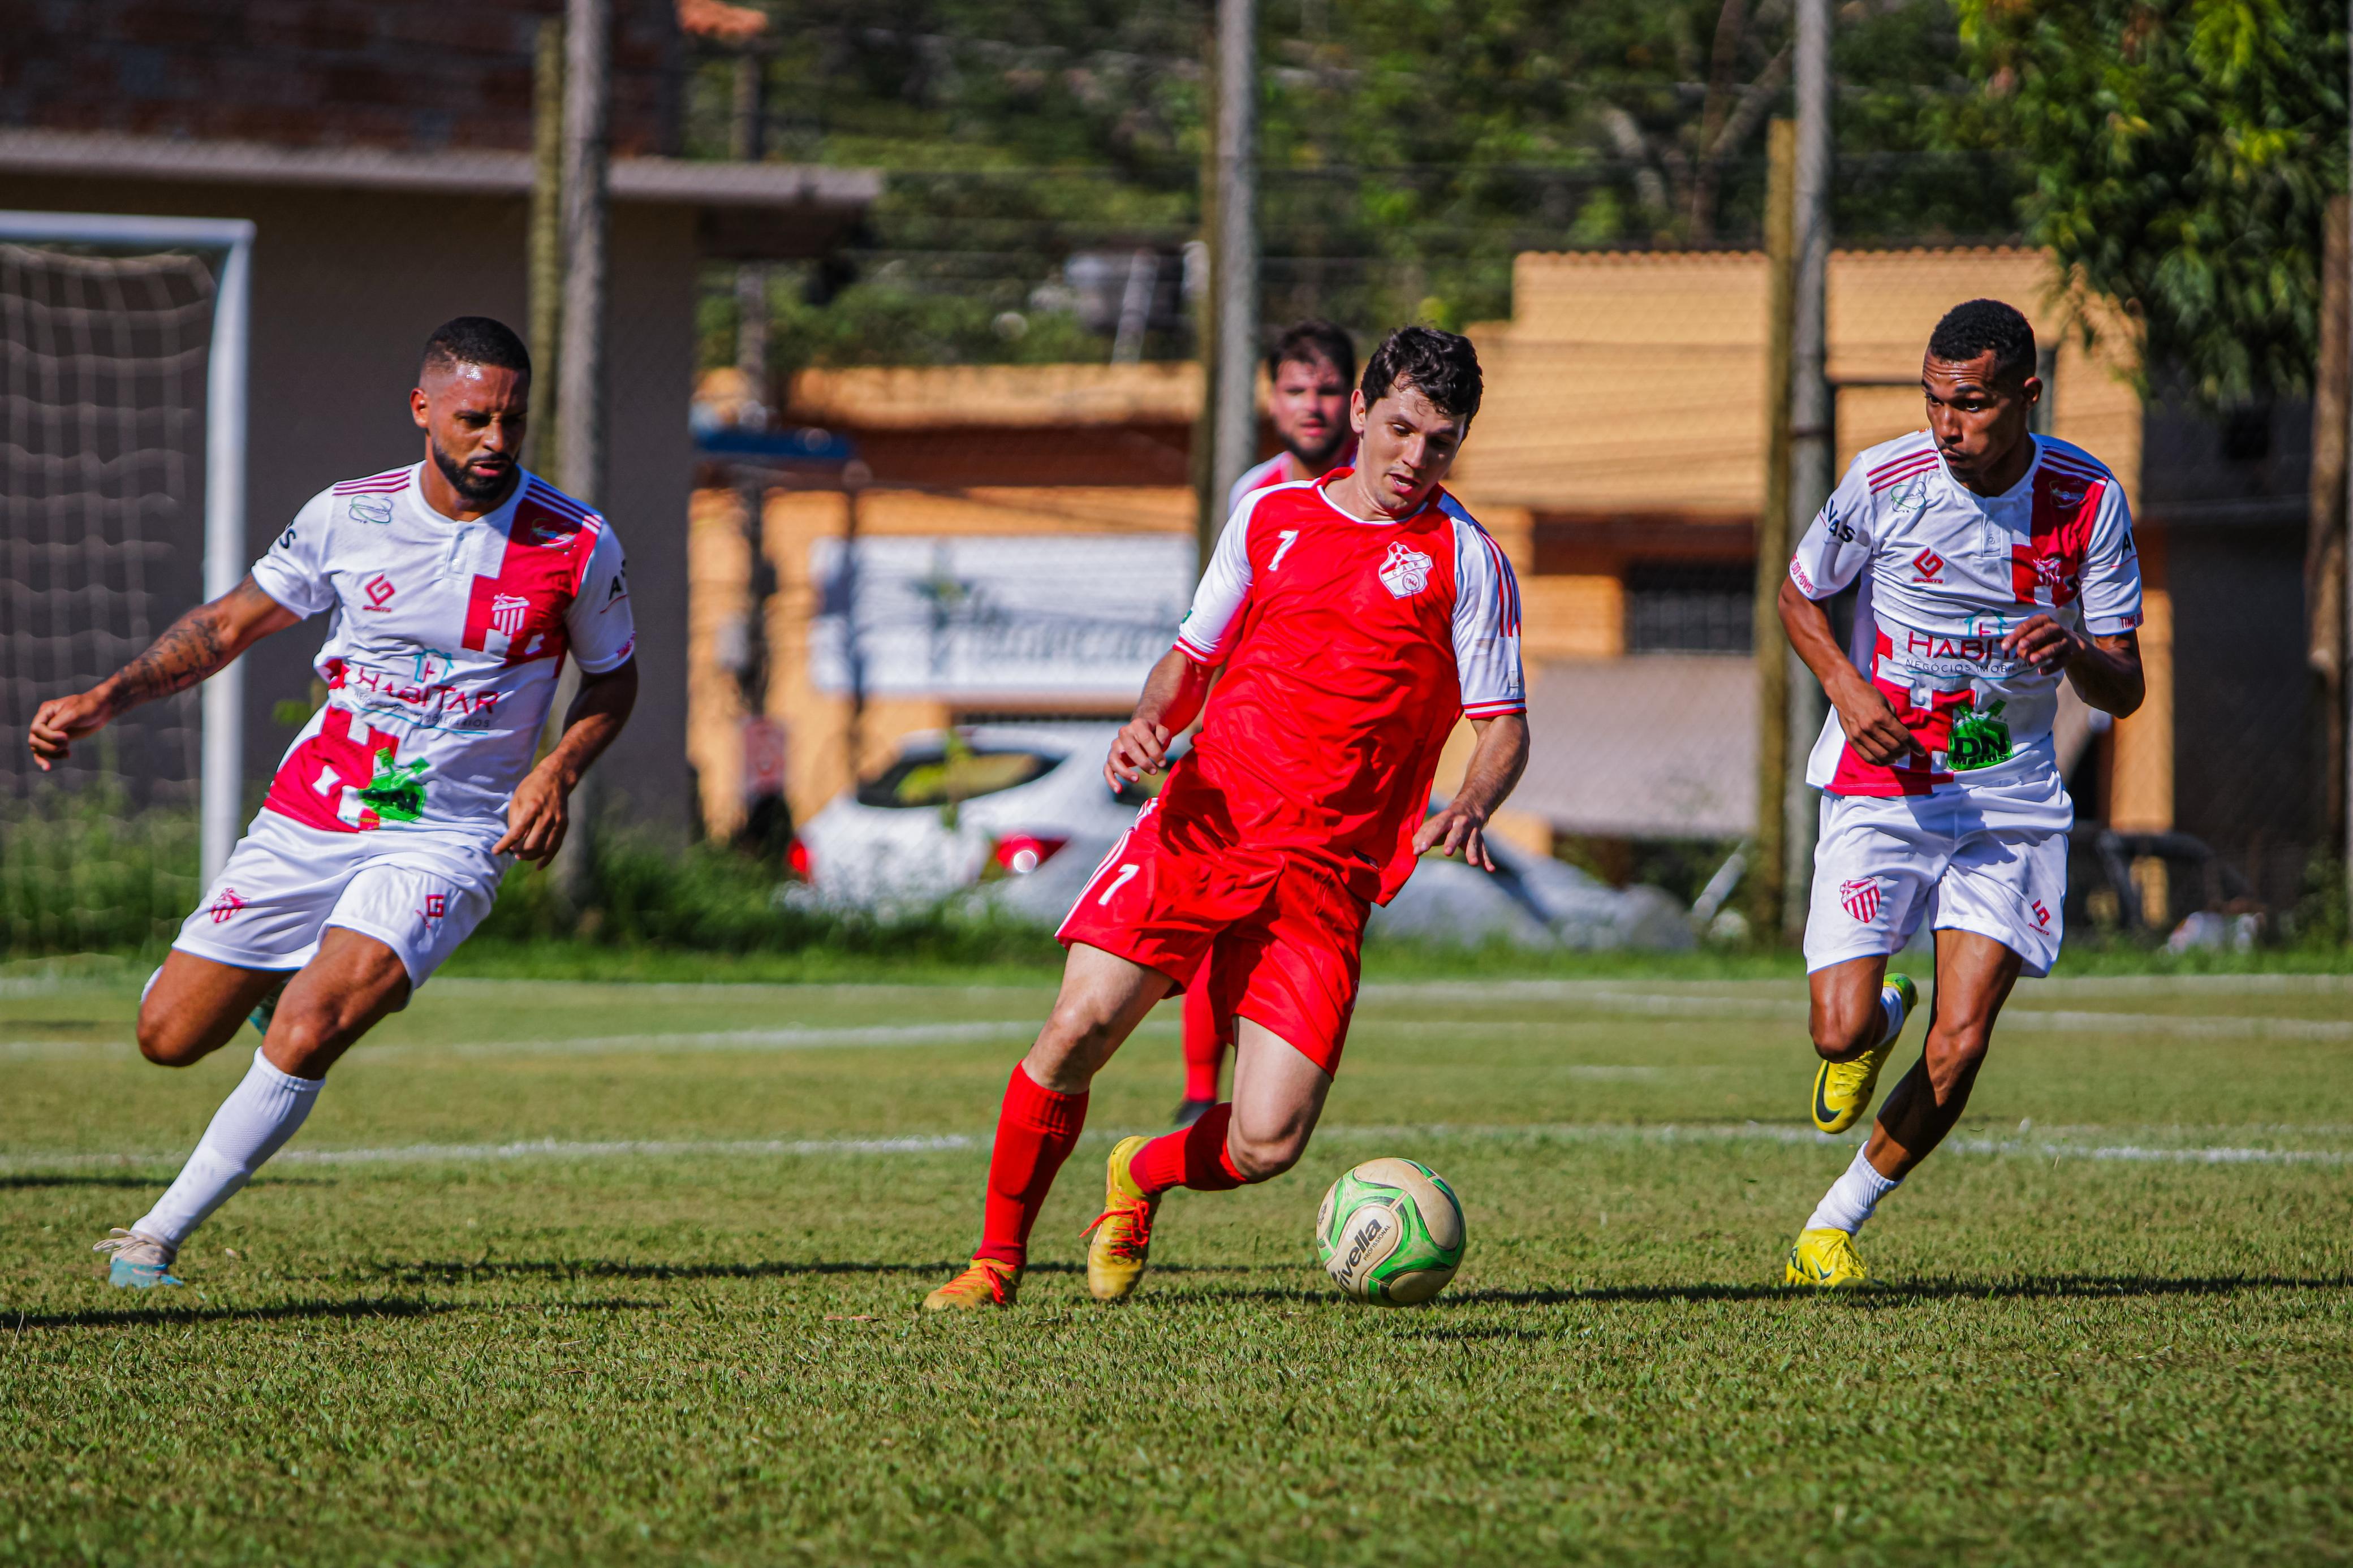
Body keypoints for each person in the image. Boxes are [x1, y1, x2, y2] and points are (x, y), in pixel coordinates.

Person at [922, 326, 1528, 1310]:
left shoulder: (1467, 559)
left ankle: (1138, 1176)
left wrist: (1472, 800)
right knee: (1076, 1028)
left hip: (1323, 875)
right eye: (1404, 428)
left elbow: (1504, 726)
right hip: (1205, 826)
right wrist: (1148, 721)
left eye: (1443, 441)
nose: (1416, 458)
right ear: (1363, 411)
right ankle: (995, 1262)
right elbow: (1191, 657)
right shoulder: (1266, 517)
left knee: (1268, 1141)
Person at [28, 317, 639, 1289]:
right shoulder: (347, 518)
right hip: (316, 809)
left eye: (512, 421)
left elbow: (614, 683)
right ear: (423, 410)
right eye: (475, 417)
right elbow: (227, 625)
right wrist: (106, 698)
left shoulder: (575, 540)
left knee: (313, 1021)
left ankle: (154, 1234)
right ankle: (273, 980)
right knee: (169, 1037)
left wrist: (555, 768)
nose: (495, 440)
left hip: (450, 834)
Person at [1777, 299, 2144, 1288]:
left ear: (2028, 395)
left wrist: (2072, 648)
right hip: (1884, 778)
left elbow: (2127, 683)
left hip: (2009, 795)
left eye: (1972, 404)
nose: (1949, 425)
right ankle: (1875, 1014)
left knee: (1964, 1038)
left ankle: (1830, 1228)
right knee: (1838, 1029)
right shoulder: (1887, 481)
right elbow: (1799, 593)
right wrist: (1848, 691)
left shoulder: (2087, 500)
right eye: (1935, 400)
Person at [1170, 319, 1362, 1127]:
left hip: (1341, 755)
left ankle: (1266, 1076)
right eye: (1295, 389)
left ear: (1355, 401)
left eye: (1325, 390)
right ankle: (1198, 1089)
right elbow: (1226, 620)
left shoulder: (1385, 487)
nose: (1310, 406)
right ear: (1270, 398)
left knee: (1304, 926)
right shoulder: (1255, 495)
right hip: (1251, 741)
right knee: (1220, 911)